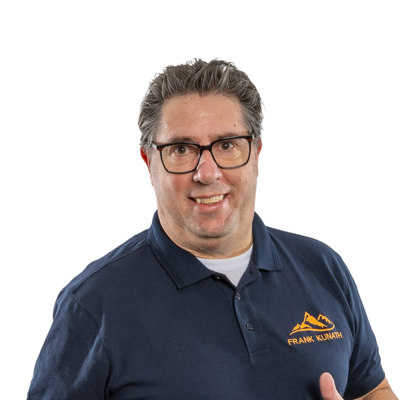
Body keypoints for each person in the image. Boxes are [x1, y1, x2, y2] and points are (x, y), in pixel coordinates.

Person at [27, 59, 397, 399]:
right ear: (149, 161)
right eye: (181, 150)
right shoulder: (93, 304)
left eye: (227, 145)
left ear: (256, 153)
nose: (207, 173)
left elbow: (372, 390)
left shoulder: (322, 267)